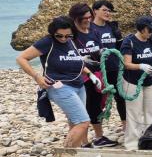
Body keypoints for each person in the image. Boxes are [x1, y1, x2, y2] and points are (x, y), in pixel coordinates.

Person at [17, 16, 98, 148]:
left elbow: (76, 61)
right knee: (83, 122)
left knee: (74, 121)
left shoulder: (71, 41)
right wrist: (37, 77)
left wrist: (90, 74)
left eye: (67, 36)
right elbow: (21, 58)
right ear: (53, 32)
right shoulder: (47, 42)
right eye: (59, 36)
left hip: (78, 85)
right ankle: (67, 155)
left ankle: (75, 153)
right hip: (59, 86)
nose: (63, 39)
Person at [69, 3, 118, 148]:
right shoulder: (72, 35)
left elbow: (98, 48)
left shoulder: (93, 31)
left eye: (89, 17)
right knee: (83, 108)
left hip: (97, 73)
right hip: (81, 76)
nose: (88, 20)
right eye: (84, 18)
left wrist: (102, 52)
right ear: (76, 18)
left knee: (96, 106)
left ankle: (99, 136)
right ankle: (84, 142)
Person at [120, 16, 152, 150]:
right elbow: (126, 63)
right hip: (132, 82)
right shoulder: (129, 42)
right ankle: (132, 143)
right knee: (134, 113)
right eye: (150, 30)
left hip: (150, 81)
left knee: (150, 111)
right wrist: (140, 66)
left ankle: (148, 140)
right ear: (143, 29)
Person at [90, 0, 126, 132]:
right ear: (95, 11)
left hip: (115, 68)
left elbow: (120, 48)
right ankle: (99, 133)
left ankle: (125, 126)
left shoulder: (112, 27)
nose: (107, 13)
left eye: (109, 11)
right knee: (98, 101)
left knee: (121, 98)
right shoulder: (90, 29)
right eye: (104, 10)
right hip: (98, 71)